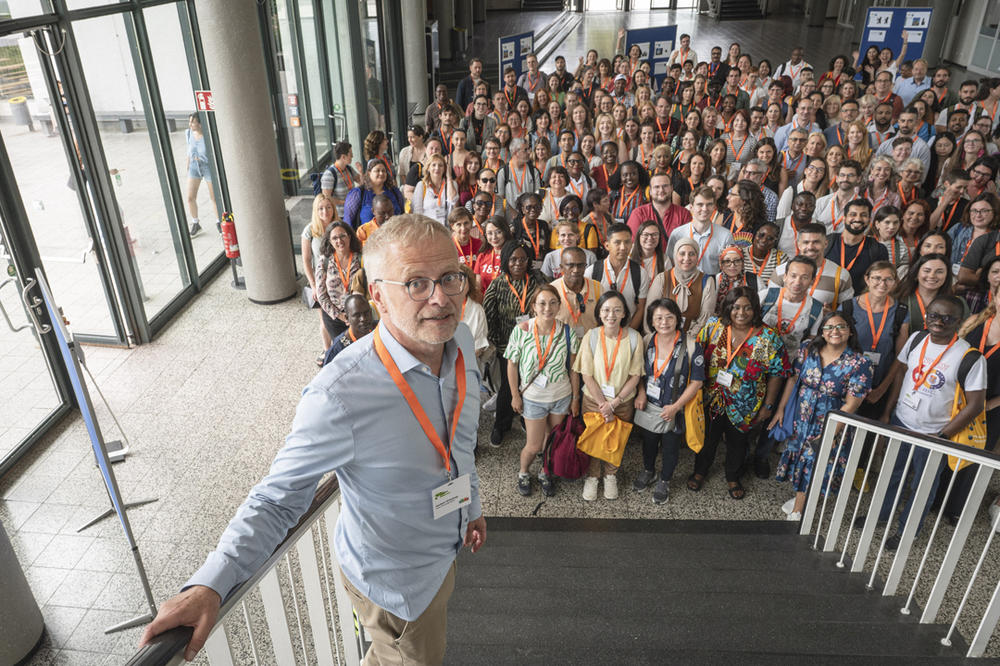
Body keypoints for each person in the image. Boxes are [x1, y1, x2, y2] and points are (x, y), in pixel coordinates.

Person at [140, 215, 486, 664]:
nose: (441, 298)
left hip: (443, 546)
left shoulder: (460, 341)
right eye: (416, 283)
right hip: (400, 587)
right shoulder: (340, 395)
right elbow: (278, 499)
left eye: (450, 277)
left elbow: (460, 444)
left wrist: (470, 508)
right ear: (378, 296)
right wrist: (211, 583)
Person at [868, 295, 986, 550]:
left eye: (948, 318)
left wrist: (943, 437)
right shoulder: (916, 339)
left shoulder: (970, 357)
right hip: (902, 421)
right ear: (926, 316)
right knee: (892, 473)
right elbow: (901, 374)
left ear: (960, 321)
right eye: (934, 316)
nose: (939, 322)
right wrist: (889, 411)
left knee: (923, 486)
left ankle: (907, 532)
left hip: (936, 433)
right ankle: (880, 515)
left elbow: (976, 405)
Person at [772, 310, 872, 520]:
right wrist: (781, 409)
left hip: (830, 422)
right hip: (801, 417)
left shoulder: (860, 364)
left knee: (814, 461)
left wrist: (830, 433)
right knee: (802, 459)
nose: (835, 331)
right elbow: (793, 379)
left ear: (850, 332)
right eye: (829, 327)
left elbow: (851, 404)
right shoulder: (808, 349)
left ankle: (798, 511)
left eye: (841, 326)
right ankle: (804, 498)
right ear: (822, 331)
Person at [692, 287, 790, 498]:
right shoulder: (714, 326)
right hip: (711, 397)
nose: (741, 313)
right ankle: (700, 471)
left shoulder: (768, 337)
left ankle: (733, 476)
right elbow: (697, 355)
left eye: (747, 308)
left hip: (745, 403)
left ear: (755, 309)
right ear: (728, 307)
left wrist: (768, 406)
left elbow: (778, 373)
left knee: (738, 442)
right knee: (707, 438)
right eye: (736, 307)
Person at [506, 284, 581, 497]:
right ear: (534, 306)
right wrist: (514, 395)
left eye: (553, 303)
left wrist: (576, 398)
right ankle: (523, 472)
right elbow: (511, 365)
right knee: (534, 445)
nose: (547, 308)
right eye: (542, 303)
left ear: (559, 306)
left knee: (552, 441)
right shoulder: (522, 330)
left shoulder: (567, 331)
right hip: (533, 398)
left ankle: (544, 472)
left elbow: (574, 369)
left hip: (561, 396)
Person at [633, 298, 706, 504]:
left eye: (669, 317)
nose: (664, 322)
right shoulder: (646, 341)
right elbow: (638, 372)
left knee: (670, 447)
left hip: (675, 408)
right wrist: (641, 392)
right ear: (651, 321)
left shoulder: (691, 345)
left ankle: (665, 480)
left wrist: (676, 407)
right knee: (648, 443)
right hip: (649, 405)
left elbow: (697, 382)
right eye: (658, 318)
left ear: (677, 319)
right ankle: (648, 471)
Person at [575, 290, 644, 501]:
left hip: (622, 401)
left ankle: (610, 475)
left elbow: (635, 375)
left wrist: (614, 403)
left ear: (624, 313)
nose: (611, 315)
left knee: (616, 440)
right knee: (594, 439)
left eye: (616, 310)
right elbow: (586, 375)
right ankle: (593, 476)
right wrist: (603, 403)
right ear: (599, 313)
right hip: (593, 401)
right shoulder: (592, 336)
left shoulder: (634, 338)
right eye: (606, 310)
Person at [483, 241, 547, 447]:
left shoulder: (538, 280)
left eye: (522, 259)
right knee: (507, 387)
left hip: (535, 344)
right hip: (507, 346)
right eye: (513, 259)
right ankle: (501, 425)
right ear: (505, 261)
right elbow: (489, 314)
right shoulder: (498, 284)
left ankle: (527, 420)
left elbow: (549, 304)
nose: (518, 263)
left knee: (530, 384)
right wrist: (496, 341)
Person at [840, 261, 910, 429]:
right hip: (845, 382)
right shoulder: (848, 307)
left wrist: (882, 389)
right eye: (877, 278)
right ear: (867, 279)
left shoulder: (901, 312)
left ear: (895, 282)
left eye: (888, 279)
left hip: (878, 385)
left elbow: (900, 356)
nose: (882, 284)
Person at [771, 222, 855, 310]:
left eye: (816, 242)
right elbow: (770, 306)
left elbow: (847, 310)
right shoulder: (780, 271)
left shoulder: (841, 275)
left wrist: (832, 315)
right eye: (806, 242)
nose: (810, 247)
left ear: (826, 244)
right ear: (798, 244)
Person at [585, 222, 650, 331]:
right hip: (599, 331)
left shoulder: (640, 273)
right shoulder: (592, 272)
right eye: (617, 242)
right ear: (607, 245)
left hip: (628, 330)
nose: (623, 247)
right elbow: (588, 307)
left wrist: (627, 334)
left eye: (627, 242)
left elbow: (640, 308)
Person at [648, 236, 717, 336]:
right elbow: (650, 314)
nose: (687, 258)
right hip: (661, 336)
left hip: (693, 338)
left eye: (691, 254)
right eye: (682, 253)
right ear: (675, 255)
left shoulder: (707, 281)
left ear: (697, 257)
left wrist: (687, 339)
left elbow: (705, 318)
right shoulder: (662, 279)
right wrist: (660, 338)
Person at [759, 255, 824, 358]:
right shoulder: (766, 296)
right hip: (756, 357)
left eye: (804, 277)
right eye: (793, 276)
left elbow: (811, 339)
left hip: (789, 362)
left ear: (812, 281)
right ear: (785, 277)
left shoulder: (816, 308)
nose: (797, 282)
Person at [667, 186, 736, 274]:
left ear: (714, 207)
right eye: (700, 205)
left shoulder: (725, 236)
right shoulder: (677, 234)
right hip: (683, 281)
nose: (705, 209)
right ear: (691, 207)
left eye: (709, 204)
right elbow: (670, 264)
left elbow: (729, 268)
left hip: (712, 281)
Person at [302, 194, 338, 363]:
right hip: (320, 281)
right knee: (325, 318)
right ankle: (326, 350)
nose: (325, 211)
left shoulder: (339, 227)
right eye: (321, 208)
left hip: (338, 279)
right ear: (315, 211)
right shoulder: (310, 231)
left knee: (339, 316)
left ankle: (339, 347)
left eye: (328, 207)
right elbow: (306, 260)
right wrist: (314, 285)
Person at [825, 198, 888, 288]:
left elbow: (880, 283)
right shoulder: (826, 242)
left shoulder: (878, 250)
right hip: (826, 295)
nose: (858, 219)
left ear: (869, 220)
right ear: (844, 218)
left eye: (863, 215)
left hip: (859, 297)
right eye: (853, 214)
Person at [315, 222, 363, 342]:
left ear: (349, 237)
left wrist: (355, 314)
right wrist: (339, 315)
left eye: (342, 236)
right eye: (335, 238)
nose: (339, 241)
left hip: (358, 316)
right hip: (334, 318)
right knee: (341, 348)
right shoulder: (324, 261)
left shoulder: (361, 258)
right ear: (330, 241)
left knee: (358, 348)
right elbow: (321, 295)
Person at [552, 246, 603, 339]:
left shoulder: (598, 288)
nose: (576, 270)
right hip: (561, 344)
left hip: (592, 344)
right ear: (561, 267)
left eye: (580, 265)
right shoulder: (552, 290)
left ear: (585, 266)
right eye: (570, 265)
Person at [896, 253, 955, 331]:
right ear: (917, 273)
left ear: (947, 276)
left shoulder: (956, 304)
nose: (932, 275)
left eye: (939, 272)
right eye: (927, 271)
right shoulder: (899, 300)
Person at [626, 172, 692, 242]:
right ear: (650, 191)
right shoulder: (638, 214)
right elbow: (632, 243)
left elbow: (688, 242)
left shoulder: (684, 214)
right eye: (657, 187)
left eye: (665, 186)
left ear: (672, 188)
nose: (661, 190)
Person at [343, 159, 404, 230]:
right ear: (369, 173)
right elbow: (348, 222)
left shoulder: (394, 192)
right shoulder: (358, 193)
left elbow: (402, 215)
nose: (381, 173)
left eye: (383, 171)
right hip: (368, 236)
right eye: (377, 170)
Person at [185, 113, 218, 238]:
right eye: (190, 122)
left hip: (208, 166)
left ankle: (219, 222)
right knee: (190, 197)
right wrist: (188, 165)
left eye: (192, 122)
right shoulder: (188, 133)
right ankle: (196, 223)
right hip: (194, 166)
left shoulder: (208, 136)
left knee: (214, 197)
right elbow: (189, 150)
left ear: (200, 124)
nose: (190, 124)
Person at [322, 293, 376, 366]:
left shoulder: (379, 329)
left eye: (366, 313)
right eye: (357, 315)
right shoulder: (337, 350)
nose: (363, 319)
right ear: (347, 318)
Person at [813, 159, 862, 236]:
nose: (845, 179)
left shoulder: (862, 207)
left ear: (858, 179)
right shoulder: (821, 202)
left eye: (850, 175)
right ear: (837, 178)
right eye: (842, 175)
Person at [412, 154, 458, 224]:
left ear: (445, 169)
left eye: (440, 165)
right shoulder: (421, 185)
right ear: (428, 168)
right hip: (427, 226)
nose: (437, 168)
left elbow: (453, 200)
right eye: (433, 165)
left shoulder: (452, 184)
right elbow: (417, 212)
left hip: (446, 227)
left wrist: (449, 177)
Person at [870, 205, 910, 277]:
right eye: (887, 222)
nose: (892, 227)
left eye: (895, 222)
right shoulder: (866, 242)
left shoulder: (902, 248)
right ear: (877, 224)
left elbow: (903, 273)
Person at [473, 216, 509, 292]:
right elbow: (478, 288)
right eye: (490, 233)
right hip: (485, 298)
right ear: (485, 235)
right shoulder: (482, 256)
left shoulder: (513, 256)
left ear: (505, 232)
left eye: (498, 232)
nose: (494, 237)